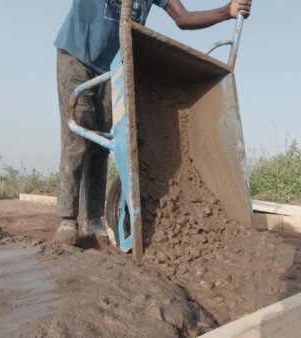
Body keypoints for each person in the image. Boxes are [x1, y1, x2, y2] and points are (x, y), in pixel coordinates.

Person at [53, 0, 252, 244]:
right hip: (77, 54)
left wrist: (226, 12)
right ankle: (67, 217)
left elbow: (182, 18)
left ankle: (93, 218)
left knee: (102, 142)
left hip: (113, 66)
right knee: (78, 134)